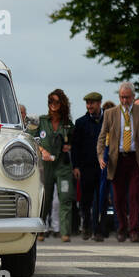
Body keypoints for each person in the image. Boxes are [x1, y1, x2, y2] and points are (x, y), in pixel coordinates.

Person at [97, 82, 139, 242]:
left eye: (127, 97)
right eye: (121, 97)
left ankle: (134, 230)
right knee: (118, 197)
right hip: (117, 159)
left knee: (134, 195)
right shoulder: (110, 113)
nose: (124, 100)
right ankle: (122, 228)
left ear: (133, 97)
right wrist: (100, 156)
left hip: (136, 159)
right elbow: (102, 136)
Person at [35, 89, 75, 241]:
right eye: (50, 101)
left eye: (56, 101)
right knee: (45, 199)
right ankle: (40, 230)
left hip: (62, 166)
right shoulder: (41, 121)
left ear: (62, 103)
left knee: (65, 197)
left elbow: (73, 143)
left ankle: (65, 232)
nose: (53, 104)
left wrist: (69, 146)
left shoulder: (68, 125)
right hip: (46, 166)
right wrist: (42, 150)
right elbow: (33, 140)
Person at [71, 92, 107, 240]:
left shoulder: (107, 120)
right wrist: (76, 166)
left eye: (92, 103)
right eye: (87, 103)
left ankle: (99, 229)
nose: (89, 106)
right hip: (86, 166)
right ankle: (86, 225)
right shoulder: (81, 122)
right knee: (86, 199)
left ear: (99, 103)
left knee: (101, 198)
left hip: (103, 166)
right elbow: (75, 146)